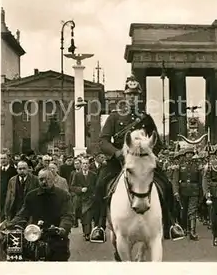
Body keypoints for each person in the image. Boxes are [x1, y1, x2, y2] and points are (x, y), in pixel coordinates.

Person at [90, 75, 184, 242]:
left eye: (135, 95)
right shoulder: (114, 117)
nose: (132, 98)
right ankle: (98, 227)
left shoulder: (146, 118)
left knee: (166, 185)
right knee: (99, 185)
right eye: (129, 94)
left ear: (139, 97)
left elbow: (158, 143)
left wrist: (147, 153)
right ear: (124, 96)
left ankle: (171, 224)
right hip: (119, 161)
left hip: (141, 162)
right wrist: (117, 152)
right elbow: (103, 141)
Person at [4, 168, 74, 261]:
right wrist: (10, 224)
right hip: (34, 234)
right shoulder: (31, 196)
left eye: (48, 179)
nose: (44, 182)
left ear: (53, 179)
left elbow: (67, 215)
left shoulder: (63, 195)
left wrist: (62, 228)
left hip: (55, 233)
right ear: (38, 180)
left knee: (59, 259)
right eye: (41, 179)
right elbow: (23, 214)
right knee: (19, 253)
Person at [172, 147, 201, 240]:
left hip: (194, 189)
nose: (189, 155)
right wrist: (176, 191)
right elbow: (175, 180)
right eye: (187, 154)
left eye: (191, 153)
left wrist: (201, 191)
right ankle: (184, 228)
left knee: (192, 210)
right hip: (183, 190)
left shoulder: (197, 165)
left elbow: (200, 180)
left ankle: (192, 231)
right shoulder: (180, 166)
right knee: (183, 210)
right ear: (184, 155)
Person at [70, 157, 97, 241]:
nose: (85, 165)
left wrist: (94, 194)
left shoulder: (93, 175)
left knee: (88, 216)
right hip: (81, 199)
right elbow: (72, 187)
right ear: (81, 165)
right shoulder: (77, 175)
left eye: (86, 163)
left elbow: (96, 186)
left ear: (89, 165)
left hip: (90, 199)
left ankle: (87, 233)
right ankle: (86, 232)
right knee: (83, 217)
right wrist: (80, 189)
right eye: (83, 163)